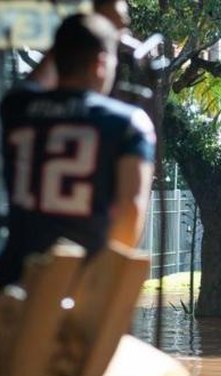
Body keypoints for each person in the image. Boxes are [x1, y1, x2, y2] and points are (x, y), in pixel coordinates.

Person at [0, 13, 155, 287]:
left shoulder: (17, 107)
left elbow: (34, 82)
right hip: (77, 291)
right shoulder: (128, 123)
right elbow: (130, 213)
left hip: (12, 285)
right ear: (101, 64)